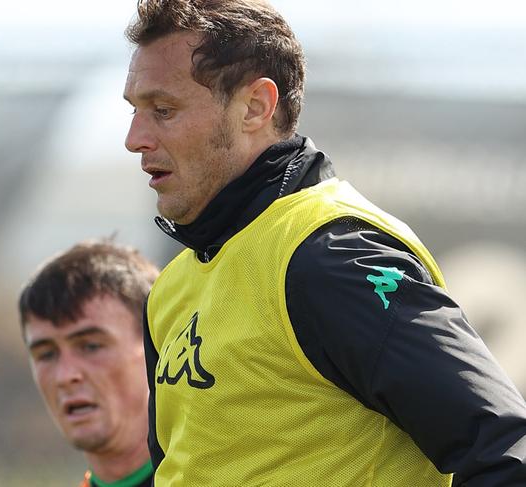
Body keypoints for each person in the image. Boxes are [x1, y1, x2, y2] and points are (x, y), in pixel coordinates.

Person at [122, 1, 526, 485]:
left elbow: (505, 450)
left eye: (163, 110)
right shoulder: (171, 289)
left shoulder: (332, 256)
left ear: (255, 107)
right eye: (135, 111)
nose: (134, 138)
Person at [18, 240, 159, 487]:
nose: (65, 376)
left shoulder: (227, 475)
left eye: (91, 346)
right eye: (46, 354)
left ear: (155, 347)